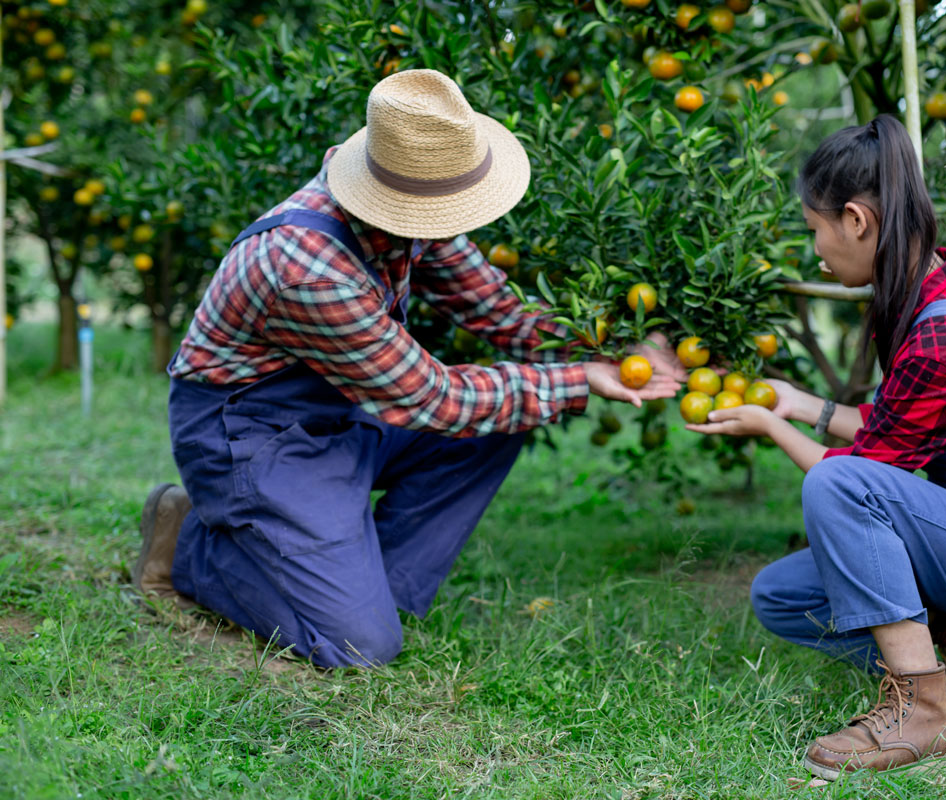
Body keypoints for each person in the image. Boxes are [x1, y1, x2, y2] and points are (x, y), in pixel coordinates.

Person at [133, 69, 683, 669]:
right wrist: (581, 381)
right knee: (357, 648)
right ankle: (190, 547)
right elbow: (432, 398)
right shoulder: (309, 268)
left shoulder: (411, 199)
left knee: (500, 423)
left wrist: (613, 343)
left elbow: (498, 310)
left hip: (341, 413)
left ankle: (365, 588)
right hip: (252, 437)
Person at [686, 115, 946, 780]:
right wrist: (800, 403)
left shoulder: (940, 332)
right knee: (784, 596)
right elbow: (893, 427)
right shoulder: (926, 290)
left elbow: (853, 480)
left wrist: (772, 428)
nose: (814, 247)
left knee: (834, 486)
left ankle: (923, 708)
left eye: (814, 227)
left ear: (855, 220)